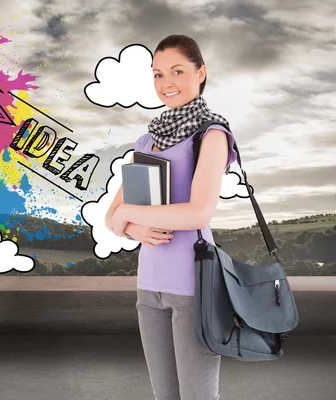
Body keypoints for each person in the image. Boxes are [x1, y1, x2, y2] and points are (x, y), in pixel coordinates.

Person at [105, 34, 238, 400]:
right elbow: (110, 220)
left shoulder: (211, 135)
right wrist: (132, 225)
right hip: (149, 287)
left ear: (201, 73)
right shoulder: (145, 142)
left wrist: (129, 215)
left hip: (193, 285)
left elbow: (199, 212)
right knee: (165, 396)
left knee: (198, 396)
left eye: (177, 71)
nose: (166, 84)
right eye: (158, 75)